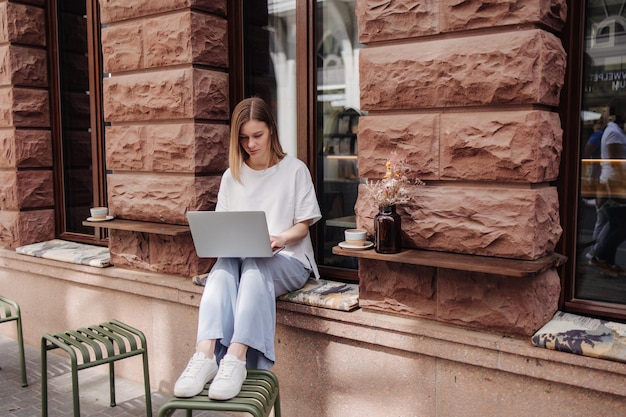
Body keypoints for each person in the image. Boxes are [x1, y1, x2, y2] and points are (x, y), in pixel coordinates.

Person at [174, 97, 321, 400]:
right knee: (222, 270)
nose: (250, 144)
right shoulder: (233, 175)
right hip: (242, 257)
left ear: (271, 131)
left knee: (256, 268)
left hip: (289, 258)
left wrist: (280, 238)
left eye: (257, 135)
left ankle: (236, 359)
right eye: (243, 138)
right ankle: (204, 355)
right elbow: (224, 226)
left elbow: (304, 226)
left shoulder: (294, 170)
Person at [589, 116, 626, 276]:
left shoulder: (612, 132)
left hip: (612, 182)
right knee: (618, 225)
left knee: (611, 223)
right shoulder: (614, 133)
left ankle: (605, 262)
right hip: (614, 183)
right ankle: (599, 257)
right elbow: (615, 160)